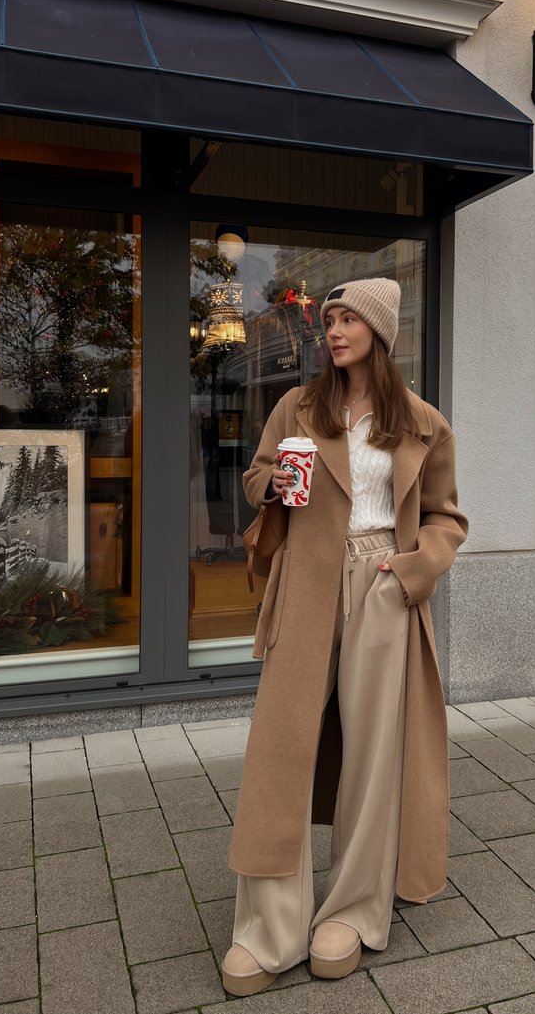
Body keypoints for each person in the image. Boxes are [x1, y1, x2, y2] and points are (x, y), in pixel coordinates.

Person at [222, 277, 469, 996]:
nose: (332, 331)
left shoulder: (422, 421)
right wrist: (271, 486)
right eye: (327, 320)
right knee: (281, 746)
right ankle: (268, 926)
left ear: (379, 330)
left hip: (382, 583)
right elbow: (256, 474)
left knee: (373, 748)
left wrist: (414, 569)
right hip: (306, 582)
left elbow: (447, 516)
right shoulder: (297, 406)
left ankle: (354, 911)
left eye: (346, 319)